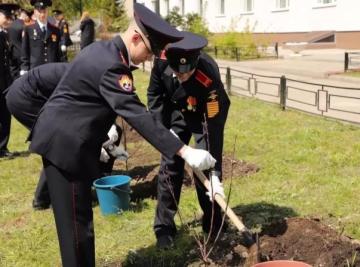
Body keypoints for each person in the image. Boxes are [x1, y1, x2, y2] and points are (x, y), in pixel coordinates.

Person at [28, 4, 216, 266]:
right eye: (149, 51)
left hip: (70, 142)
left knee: (80, 225)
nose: (148, 59)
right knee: (76, 231)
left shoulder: (103, 51)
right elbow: (138, 115)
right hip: (66, 147)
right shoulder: (113, 66)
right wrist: (184, 151)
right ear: (136, 38)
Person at [147, 31, 230, 248]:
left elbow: (213, 126)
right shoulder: (162, 62)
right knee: (169, 166)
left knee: (205, 165)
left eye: (188, 72)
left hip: (202, 115)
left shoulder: (208, 74)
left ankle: (213, 224)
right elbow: (154, 97)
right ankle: (164, 228)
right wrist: (163, 133)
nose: (182, 75)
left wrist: (215, 174)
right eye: (178, 72)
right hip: (173, 115)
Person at [5, 62, 127, 210]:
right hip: (25, 97)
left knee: (69, 140)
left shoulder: (94, 78)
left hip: (36, 94)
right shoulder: (86, 79)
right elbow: (80, 114)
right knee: (60, 142)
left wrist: (109, 134)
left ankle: (97, 182)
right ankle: (43, 199)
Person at [20, 0, 61, 74]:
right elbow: (25, 51)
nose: (42, 14)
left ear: (47, 11)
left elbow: (58, 52)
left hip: (51, 70)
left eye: (44, 11)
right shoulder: (29, 29)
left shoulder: (55, 30)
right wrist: (25, 68)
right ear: (35, 12)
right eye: (39, 11)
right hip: (35, 70)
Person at [0, 3, 19, 158]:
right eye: (6, 17)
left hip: (5, 83)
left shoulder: (4, 34)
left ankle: (2, 147)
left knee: (5, 115)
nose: (9, 20)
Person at [8, 8, 31, 80]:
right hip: (22, 55)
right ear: (23, 14)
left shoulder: (11, 25)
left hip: (12, 53)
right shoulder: (24, 26)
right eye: (27, 15)